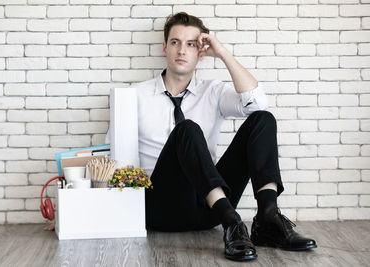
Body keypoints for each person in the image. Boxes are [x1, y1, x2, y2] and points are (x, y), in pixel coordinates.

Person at [108, 12, 316, 261]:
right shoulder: (135, 95)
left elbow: (257, 102)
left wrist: (223, 53)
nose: (182, 50)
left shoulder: (213, 91)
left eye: (191, 44)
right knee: (187, 128)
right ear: (165, 48)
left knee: (263, 119)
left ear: (201, 52)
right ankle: (232, 221)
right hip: (160, 209)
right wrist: (80, 212)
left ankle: (268, 217)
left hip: (209, 209)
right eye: (175, 42)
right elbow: (109, 158)